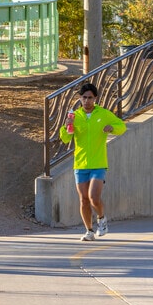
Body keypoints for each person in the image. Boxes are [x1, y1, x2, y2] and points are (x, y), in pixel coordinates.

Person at [60, 83, 127, 241]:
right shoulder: (75, 116)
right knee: (83, 199)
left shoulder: (103, 114)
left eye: (90, 98)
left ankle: (101, 220)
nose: (87, 100)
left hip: (98, 162)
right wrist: (67, 127)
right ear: (80, 98)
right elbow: (65, 138)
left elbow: (122, 126)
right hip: (81, 163)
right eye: (84, 97)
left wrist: (112, 128)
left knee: (93, 197)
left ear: (95, 98)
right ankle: (89, 231)